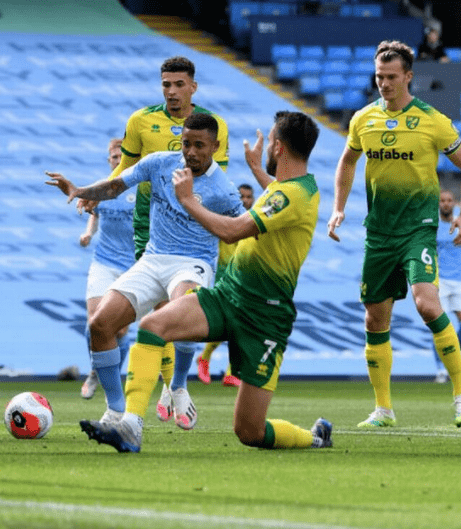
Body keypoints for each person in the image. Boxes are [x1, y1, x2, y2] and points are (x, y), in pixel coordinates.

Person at [81, 111, 332, 453]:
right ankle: (130, 426)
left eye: (270, 142)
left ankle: (314, 437)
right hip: (229, 298)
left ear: (278, 146)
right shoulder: (293, 189)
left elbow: (231, 231)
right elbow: (276, 195)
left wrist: (186, 199)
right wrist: (257, 168)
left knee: (249, 431)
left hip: (265, 317)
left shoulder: (292, 195)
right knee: (153, 326)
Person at [46, 113, 245, 435]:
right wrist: (81, 189)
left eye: (199, 146)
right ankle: (114, 409)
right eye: (186, 144)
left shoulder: (222, 189)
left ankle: (177, 387)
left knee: (176, 314)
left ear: (215, 146)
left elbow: (243, 227)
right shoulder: (160, 163)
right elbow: (114, 186)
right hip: (153, 260)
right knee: (100, 325)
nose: (191, 152)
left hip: (193, 263)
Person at [328, 40, 461, 428]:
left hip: (418, 230)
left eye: (390, 77)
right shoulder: (362, 119)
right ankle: (383, 410)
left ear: (408, 77)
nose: (383, 83)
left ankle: (459, 397)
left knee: (427, 305)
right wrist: (338, 207)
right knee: (374, 321)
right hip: (379, 235)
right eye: (378, 77)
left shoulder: (433, 120)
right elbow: (347, 162)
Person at [106, 56, 232, 428]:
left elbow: (211, 180)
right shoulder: (140, 120)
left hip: (194, 227)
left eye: (179, 84)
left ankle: (175, 385)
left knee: (182, 311)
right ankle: (152, 396)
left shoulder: (212, 125)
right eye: (166, 84)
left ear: (193, 86)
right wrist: (95, 193)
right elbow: (123, 170)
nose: (172, 91)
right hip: (150, 223)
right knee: (157, 314)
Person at [78, 138, 135, 400]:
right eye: (113, 157)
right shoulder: (102, 188)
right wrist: (88, 233)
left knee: (120, 330)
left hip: (131, 266)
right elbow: (95, 214)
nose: (116, 160)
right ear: (109, 160)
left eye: (120, 156)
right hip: (104, 261)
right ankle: (94, 371)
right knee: (95, 322)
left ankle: (107, 376)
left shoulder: (138, 188)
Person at [197, 183, 258, 387]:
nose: (245, 200)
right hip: (226, 275)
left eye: (249, 197)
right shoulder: (228, 219)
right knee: (227, 322)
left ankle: (232, 372)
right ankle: (205, 357)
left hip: (247, 277)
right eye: (241, 196)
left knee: (243, 324)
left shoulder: (258, 221)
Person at [435, 188, 461, 383]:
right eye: (442, 201)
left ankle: (456, 359)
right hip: (440, 280)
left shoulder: (459, 224)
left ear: (454, 203)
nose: (446, 203)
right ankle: (440, 369)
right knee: (439, 325)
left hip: (459, 280)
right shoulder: (433, 225)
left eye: (449, 200)